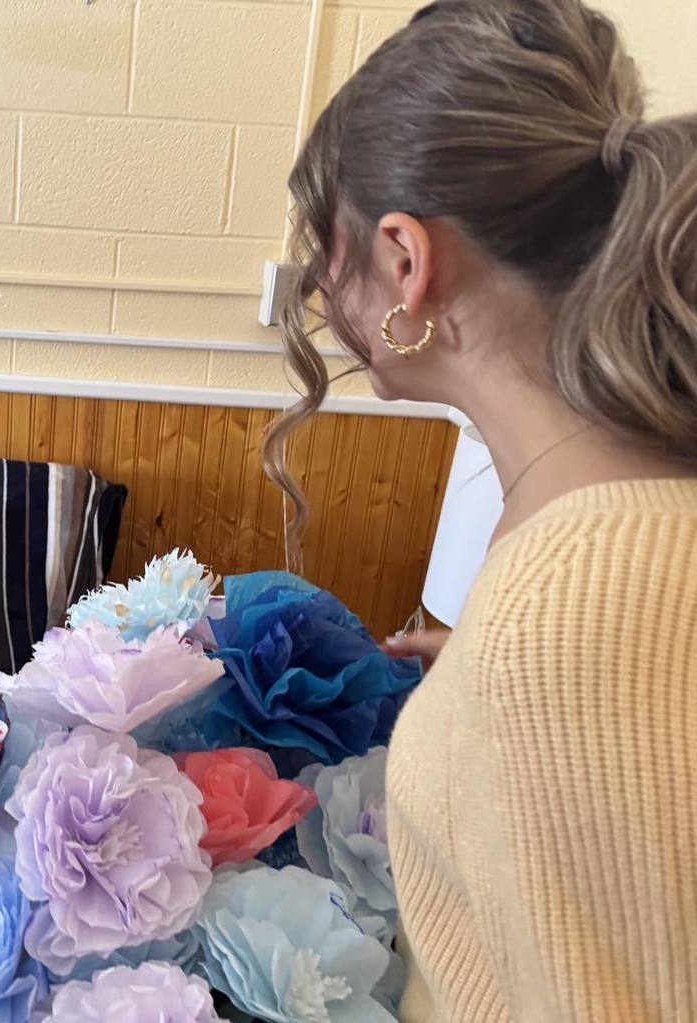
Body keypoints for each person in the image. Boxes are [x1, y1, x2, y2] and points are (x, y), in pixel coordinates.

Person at [265, 1, 696, 1019]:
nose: (322, 292)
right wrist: (473, 694)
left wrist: (507, 682)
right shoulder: (600, 527)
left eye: (329, 254)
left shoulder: (565, 614)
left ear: (405, 261)